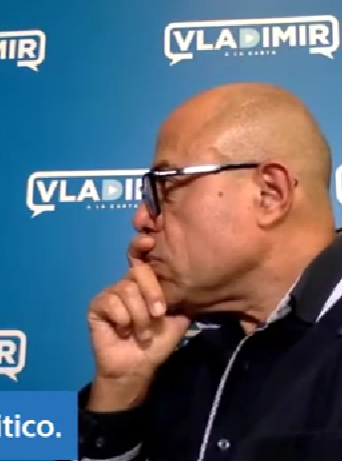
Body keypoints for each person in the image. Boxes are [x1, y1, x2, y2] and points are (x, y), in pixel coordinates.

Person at [78, 83, 342, 461]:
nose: (141, 218)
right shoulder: (171, 360)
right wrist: (119, 391)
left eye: (165, 186)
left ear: (269, 194)